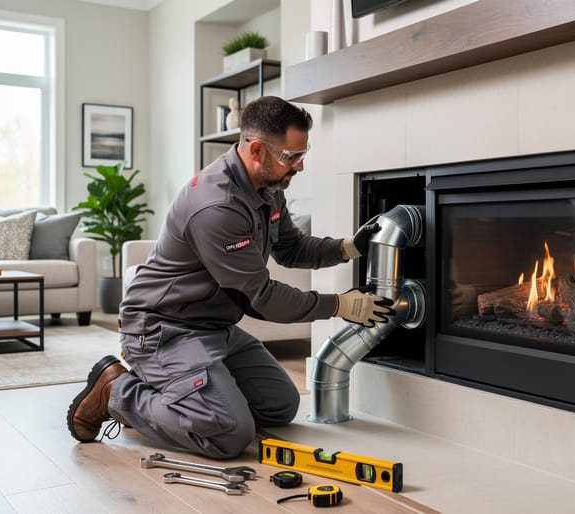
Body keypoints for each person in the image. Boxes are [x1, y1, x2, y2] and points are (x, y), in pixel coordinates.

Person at [66, 96, 395, 459]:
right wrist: (338, 305)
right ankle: (117, 392)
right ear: (256, 150)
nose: (299, 167)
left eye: (303, 154)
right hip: (162, 330)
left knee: (280, 407)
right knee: (230, 433)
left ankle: (180, 398)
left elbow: (290, 248)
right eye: (292, 157)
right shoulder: (217, 205)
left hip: (213, 327)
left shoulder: (267, 187)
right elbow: (261, 297)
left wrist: (347, 247)